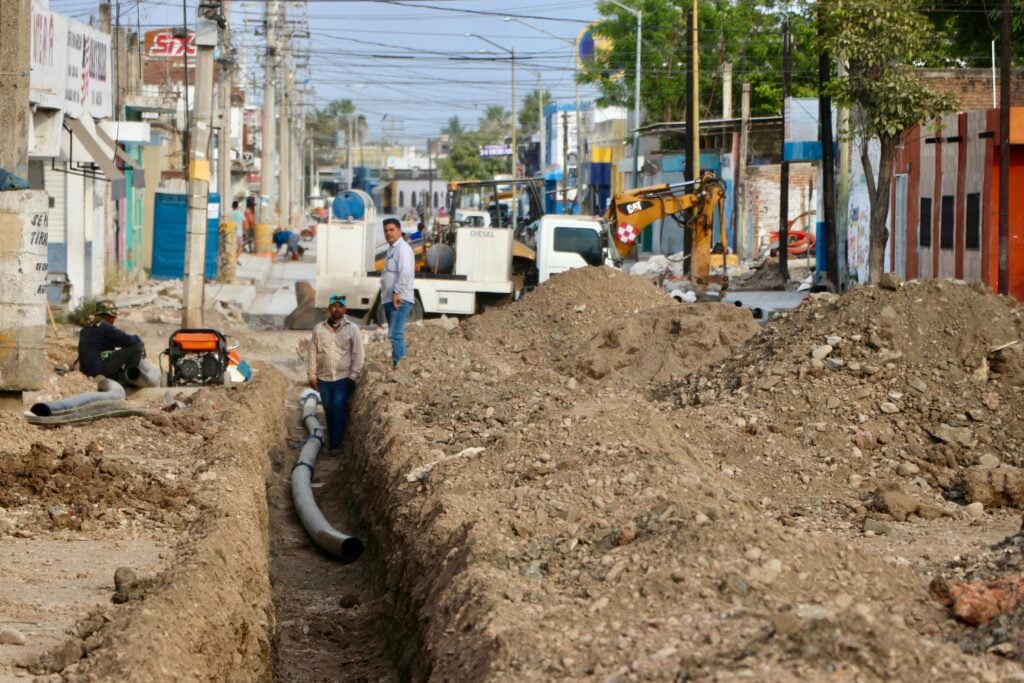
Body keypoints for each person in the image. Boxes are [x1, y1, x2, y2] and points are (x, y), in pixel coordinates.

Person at [307, 294, 364, 452]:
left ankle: (336, 444)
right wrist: (311, 375)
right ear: (329, 308)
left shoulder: (352, 329)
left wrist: (353, 376)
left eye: (340, 306)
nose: (337, 309)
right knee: (328, 409)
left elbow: (358, 354)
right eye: (334, 306)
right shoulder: (319, 329)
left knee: (338, 409)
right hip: (324, 378)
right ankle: (333, 439)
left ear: (345, 309)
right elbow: (312, 352)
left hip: (342, 378)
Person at [77, 300, 145, 383]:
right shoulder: (105, 328)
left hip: (86, 370)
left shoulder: (88, 327)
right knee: (137, 346)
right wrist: (140, 343)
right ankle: (126, 380)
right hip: (98, 371)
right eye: (114, 317)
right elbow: (130, 340)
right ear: (110, 317)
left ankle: (117, 376)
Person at [380, 217, 415, 368]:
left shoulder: (402, 249)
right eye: (386, 231)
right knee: (394, 335)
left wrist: (396, 292)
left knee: (395, 334)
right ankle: (397, 365)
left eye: (392, 230)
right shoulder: (392, 248)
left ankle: (401, 368)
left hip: (399, 298)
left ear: (400, 230)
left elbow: (405, 272)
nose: (388, 233)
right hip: (390, 298)